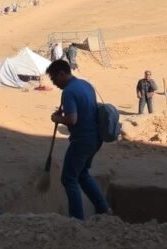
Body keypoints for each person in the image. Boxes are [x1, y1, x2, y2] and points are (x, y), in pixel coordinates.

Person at [46, 59, 110, 220]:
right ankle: (103, 208)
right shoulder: (85, 84)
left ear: (61, 73)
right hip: (95, 138)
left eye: (54, 79)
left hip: (82, 140)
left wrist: (57, 118)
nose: (54, 83)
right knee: (82, 174)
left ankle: (76, 220)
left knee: (68, 179)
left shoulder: (68, 92)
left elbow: (72, 119)